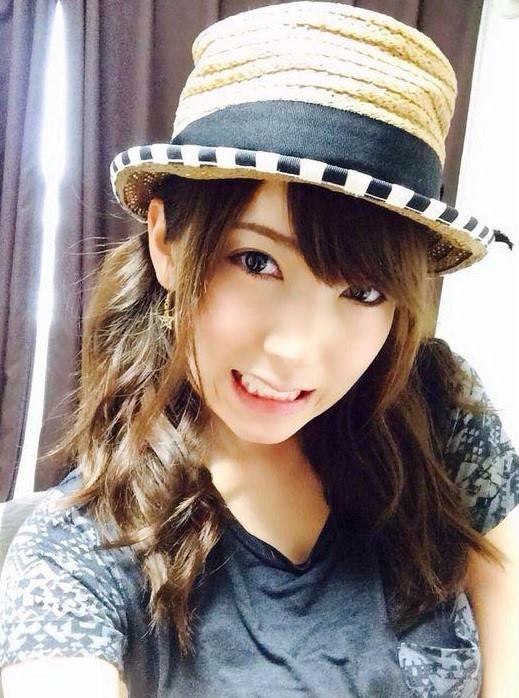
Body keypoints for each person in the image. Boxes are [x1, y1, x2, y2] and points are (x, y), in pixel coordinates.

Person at [0, 2, 517, 697]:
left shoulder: (432, 405)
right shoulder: (78, 556)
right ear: (166, 241)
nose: (297, 351)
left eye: (363, 291)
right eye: (256, 262)